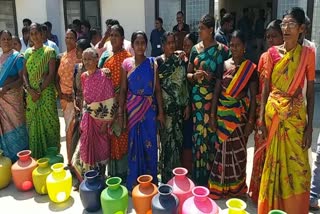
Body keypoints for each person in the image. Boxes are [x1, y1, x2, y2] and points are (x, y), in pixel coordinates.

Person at [257, 7, 315, 213]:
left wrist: (309, 128)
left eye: (291, 24)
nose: (286, 28)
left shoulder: (308, 54)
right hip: (274, 117)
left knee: (299, 168)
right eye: (284, 24)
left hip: (296, 119)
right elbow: (265, 90)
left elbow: (310, 93)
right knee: (274, 164)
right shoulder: (272, 53)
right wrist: (261, 121)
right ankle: (273, 207)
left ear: (301, 29)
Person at [208, 30, 258, 199]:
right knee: (221, 153)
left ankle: (237, 188)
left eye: (237, 45)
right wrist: (213, 116)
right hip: (223, 116)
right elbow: (216, 93)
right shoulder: (223, 65)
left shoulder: (250, 68)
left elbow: (253, 96)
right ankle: (220, 188)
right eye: (231, 45)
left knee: (239, 153)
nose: (234, 48)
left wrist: (250, 122)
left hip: (239, 118)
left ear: (244, 47)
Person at [186, 14, 229, 186]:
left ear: (211, 30)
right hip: (197, 101)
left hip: (214, 101)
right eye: (199, 28)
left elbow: (226, 76)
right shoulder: (195, 49)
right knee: (198, 137)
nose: (199, 31)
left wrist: (214, 78)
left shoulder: (222, 50)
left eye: (202, 28)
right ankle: (199, 176)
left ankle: (213, 176)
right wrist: (194, 75)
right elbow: (187, 75)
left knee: (212, 137)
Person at [119, 31, 165, 191]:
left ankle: (151, 182)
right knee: (133, 145)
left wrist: (161, 112)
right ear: (132, 45)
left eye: (142, 43)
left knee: (150, 144)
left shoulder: (153, 63)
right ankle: (134, 182)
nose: (140, 46)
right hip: (132, 110)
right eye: (137, 43)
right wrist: (121, 113)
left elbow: (157, 90)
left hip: (150, 111)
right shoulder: (126, 64)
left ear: (147, 44)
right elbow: (123, 90)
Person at [249, 19, 283, 204]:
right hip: (263, 113)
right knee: (260, 152)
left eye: (274, 36)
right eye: (267, 36)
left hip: (281, 114)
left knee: (276, 155)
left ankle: (273, 195)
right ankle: (258, 191)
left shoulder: (288, 60)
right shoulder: (263, 57)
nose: (270, 40)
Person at [99, 24, 132, 182]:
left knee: (123, 137)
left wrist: (121, 106)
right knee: (112, 138)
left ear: (122, 38)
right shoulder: (107, 59)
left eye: (116, 35)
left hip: (125, 106)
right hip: (110, 106)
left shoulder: (128, 59)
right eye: (111, 35)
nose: (112, 38)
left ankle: (124, 172)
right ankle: (114, 173)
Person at [156, 31, 190, 183]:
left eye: (173, 43)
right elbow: (156, 89)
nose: (171, 45)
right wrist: (160, 112)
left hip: (178, 109)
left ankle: (178, 177)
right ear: (163, 45)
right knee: (166, 144)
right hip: (165, 111)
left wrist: (187, 105)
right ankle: (166, 177)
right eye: (168, 43)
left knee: (178, 143)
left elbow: (183, 83)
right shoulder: (158, 62)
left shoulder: (179, 61)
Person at [23, 23, 60, 159]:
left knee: (50, 125)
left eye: (37, 33)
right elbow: (24, 74)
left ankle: (52, 157)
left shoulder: (49, 52)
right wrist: (29, 90)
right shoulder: (27, 53)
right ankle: (38, 158)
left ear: (42, 34)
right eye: (32, 34)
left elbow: (51, 74)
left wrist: (38, 90)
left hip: (46, 93)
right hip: (31, 94)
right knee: (34, 126)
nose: (34, 36)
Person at [80, 48, 116, 177]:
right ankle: (89, 177)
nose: (87, 62)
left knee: (102, 148)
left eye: (90, 59)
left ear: (96, 60)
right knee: (86, 146)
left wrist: (106, 123)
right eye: (85, 59)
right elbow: (84, 98)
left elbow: (110, 99)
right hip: (88, 119)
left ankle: (101, 176)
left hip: (101, 121)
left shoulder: (104, 75)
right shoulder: (83, 76)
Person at [0, 30, 28, 161]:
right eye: (3, 39)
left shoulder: (17, 57)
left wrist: (7, 87)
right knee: (4, 128)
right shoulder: (0, 58)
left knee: (17, 126)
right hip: (1, 100)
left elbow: (21, 79)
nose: (6, 41)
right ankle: (8, 157)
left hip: (13, 99)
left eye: (8, 39)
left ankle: (22, 156)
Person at [70, 38, 91, 184]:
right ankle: (76, 173)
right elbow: (73, 88)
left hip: (89, 111)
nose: (76, 51)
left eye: (78, 49)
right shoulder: (77, 68)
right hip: (78, 110)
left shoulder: (93, 69)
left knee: (86, 144)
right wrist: (74, 102)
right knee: (75, 139)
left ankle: (87, 175)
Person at [56, 29, 79, 165]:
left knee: (77, 130)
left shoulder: (79, 55)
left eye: (71, 37)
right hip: (65, 99)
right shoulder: (61, 57)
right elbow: (56, 78)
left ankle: (78, 163)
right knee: (68, 129)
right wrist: (61, 94)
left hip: (76, 100)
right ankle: (70, 161)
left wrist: (74, 96)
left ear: (76, 40)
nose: (68, 40)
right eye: (67, 37)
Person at [181, 32, 197, 174]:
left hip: (195, 103)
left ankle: (190, 167)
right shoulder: (181, 60)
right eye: (184, 45)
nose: (185, 48)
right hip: (183, 103)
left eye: (188, 46)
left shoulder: (196, 61)